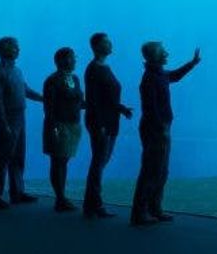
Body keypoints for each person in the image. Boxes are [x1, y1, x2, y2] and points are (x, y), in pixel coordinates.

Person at [131, 41, 200, 226]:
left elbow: (175, 76)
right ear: (154, 56)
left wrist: (191, 64)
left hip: (162, 128)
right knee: (151, 171)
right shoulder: (150, 78)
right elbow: (150, 107)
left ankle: (155, 208)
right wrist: (160, 127)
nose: (167, 54)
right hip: (155, 129)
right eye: (163, 51)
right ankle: (140, 212)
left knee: (161, 171)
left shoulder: (159, 74)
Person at [0, 36, 44, 210]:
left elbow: (25, 90)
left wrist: (43, 98)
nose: (18, 49)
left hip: (20, 117)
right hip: (9, 119)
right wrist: (3, 125)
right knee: (2, 158)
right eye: (15, 47)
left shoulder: (17, 70)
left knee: (18, 156)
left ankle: (17, 192)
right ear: (4, 49)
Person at [83, 32, 133, 218]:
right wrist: (100, 124)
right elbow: (94, 101)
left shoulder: (103, 67)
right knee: (98, 162)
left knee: (100, 162)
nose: (110, 44)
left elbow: (107, 98)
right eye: (106, 42)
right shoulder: (95, 69)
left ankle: (91, 203)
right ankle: (95, 205)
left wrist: (121, 108)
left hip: (109, 121)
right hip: (101, 123)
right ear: (96, 47)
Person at [42, 47, 84, 213]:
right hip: (59, 125)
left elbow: (80, 102)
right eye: (71, 57)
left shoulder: (75, 78)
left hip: (73, 126)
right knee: (58, 161)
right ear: (61, 60)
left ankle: (61, 196)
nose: (74, 60)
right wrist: (54, 128)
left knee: (63, 161)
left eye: (74, 57)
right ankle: (60, 198)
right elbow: (49, 107)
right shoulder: (52, 80)